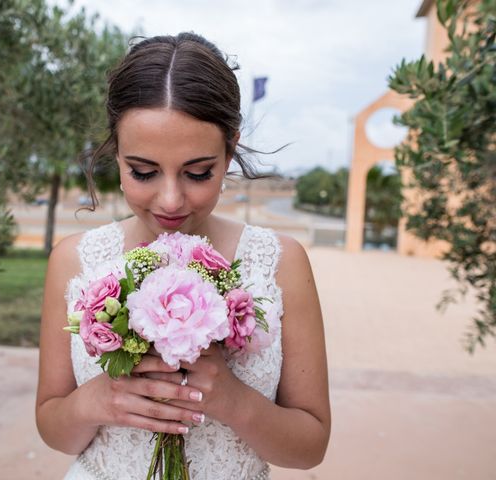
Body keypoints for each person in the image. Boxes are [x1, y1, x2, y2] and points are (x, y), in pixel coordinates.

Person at [35, 32, 330, 479]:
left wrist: (233, 400)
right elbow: (54, 429)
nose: (171, 200)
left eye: (197, 172)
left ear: (229, 149)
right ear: (117, 153)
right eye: (143, 171)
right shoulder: (75, 261)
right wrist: (94, 402)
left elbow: (310, 448)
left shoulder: (279, 262)